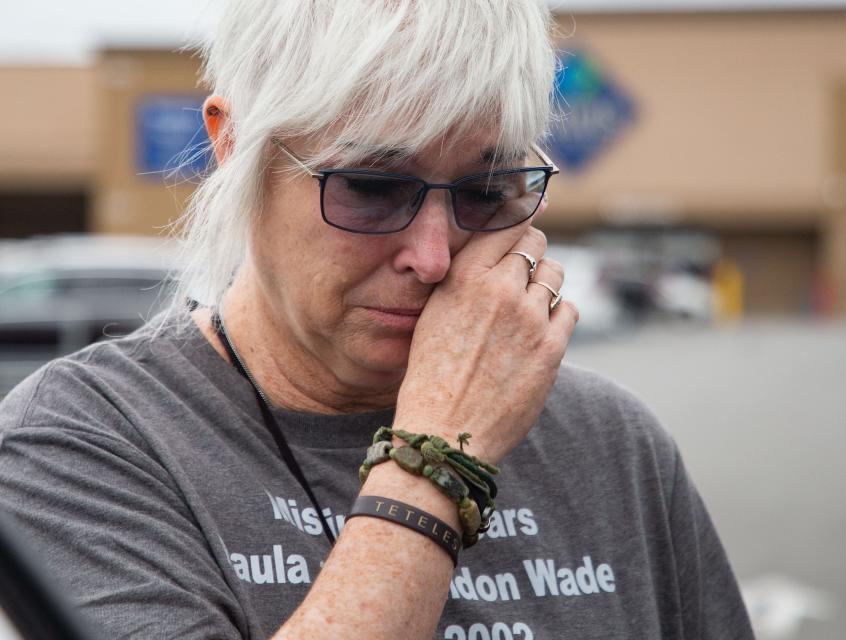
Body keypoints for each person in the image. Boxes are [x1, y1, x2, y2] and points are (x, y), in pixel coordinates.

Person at [0, 2, 753, 638]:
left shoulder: (612, 446)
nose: (432, 256)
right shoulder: (83, 441)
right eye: (369, 185)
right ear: (233, 148)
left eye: (487, 190)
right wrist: (438, 460)